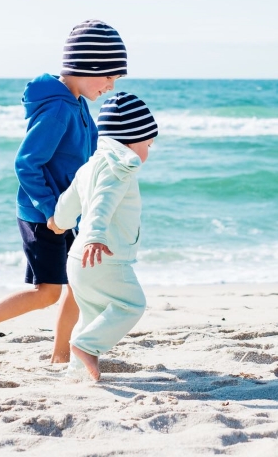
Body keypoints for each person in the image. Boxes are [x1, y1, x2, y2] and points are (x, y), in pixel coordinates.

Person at [0, 20, 127, 374]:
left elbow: (83, 154)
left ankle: (61, 356)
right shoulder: (59, 108)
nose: (110, 86)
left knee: (79, 282)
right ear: (85, 67)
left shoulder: (77, 103)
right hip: (43, 214)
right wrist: (50, 211)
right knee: (47, 292)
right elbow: (27, 163)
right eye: (107, 77)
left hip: (67, 211)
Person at [49, 92, 158, 381]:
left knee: (92, 315)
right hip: (104, 257)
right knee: (131, 304)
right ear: (131, 142)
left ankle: (78, 369)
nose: (149, 150)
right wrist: (96, 235)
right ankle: (86, 347)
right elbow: (102, 202)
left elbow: (67, 202)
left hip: (78, 260)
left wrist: (59, 223)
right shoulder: (119, 169)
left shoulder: (88, 168)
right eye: (148, 143)